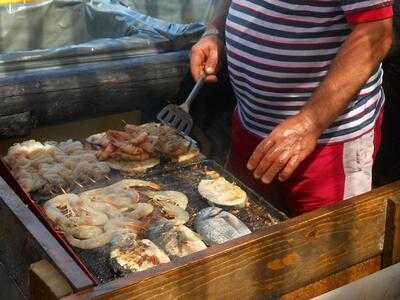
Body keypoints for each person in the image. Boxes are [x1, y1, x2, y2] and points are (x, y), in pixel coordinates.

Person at [190, 0, 393, 216]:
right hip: (251, 124)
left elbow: (375, 34)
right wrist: (214, 31)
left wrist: (310, 123)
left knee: (323, 244)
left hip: (325, 143)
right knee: (247, 227)